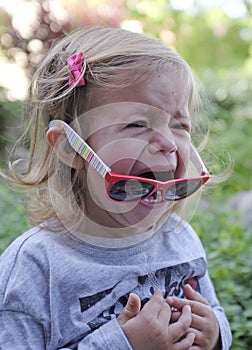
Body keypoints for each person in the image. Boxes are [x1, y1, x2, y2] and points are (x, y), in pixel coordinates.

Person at [0, 26, 232, 349]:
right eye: (137, 123)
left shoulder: (179, 238)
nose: (167, 142)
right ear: (70, 147)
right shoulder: (36, 268)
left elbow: (214, 310)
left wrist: (215, 331)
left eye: (179, 125)